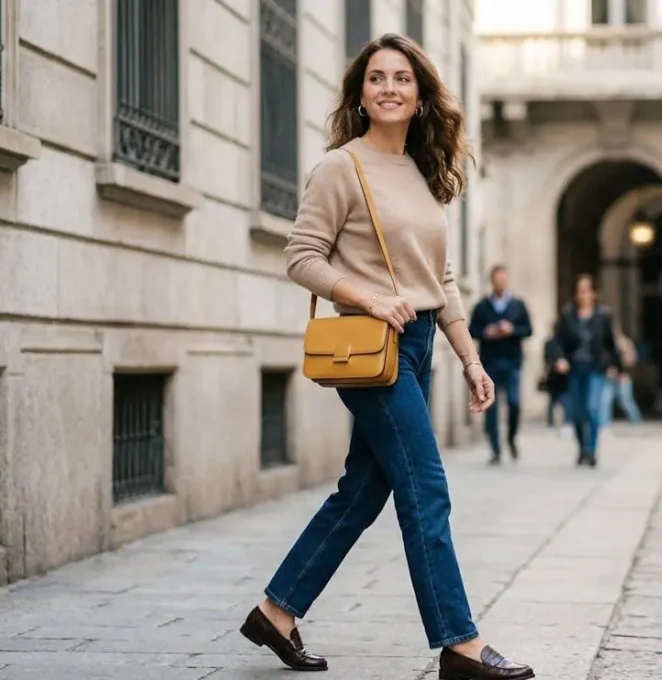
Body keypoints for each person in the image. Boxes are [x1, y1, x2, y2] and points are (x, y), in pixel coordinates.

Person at [245, 34, 533, 680]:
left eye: (402, 78)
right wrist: (369, 297)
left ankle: (276, 611)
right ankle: (460, 643)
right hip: (373, 349)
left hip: (424, 342)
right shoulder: (340, 168)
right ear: (361, 94)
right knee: (426, 488)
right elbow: (302, 257)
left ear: (421, 96)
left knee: (363, 490)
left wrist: (471, 359)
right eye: (376, 78)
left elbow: (443, 278)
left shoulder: (422, 172)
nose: (389, 88)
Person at [552, 274, 620, 467]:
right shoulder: (568, 316)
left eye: (586, 290)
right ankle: (582, 449)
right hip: (574, 368)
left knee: (592, 408)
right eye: (580, 291)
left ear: (593, 293)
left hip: (595, 368)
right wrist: (560, 359)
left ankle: (591, 450)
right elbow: (558, 342)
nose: (583, 295)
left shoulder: (603, 316)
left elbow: (610, 343)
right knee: (577, 412)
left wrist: (616, 367)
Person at [468, 265, 533, 464]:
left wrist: (511, 330)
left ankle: (511, 438)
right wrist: (486, 332)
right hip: (490, 362)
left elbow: (528, 329)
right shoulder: (482, 306)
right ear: (492, 281)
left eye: (503, 278)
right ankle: (495, 449)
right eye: (497, 279)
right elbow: (471, 330)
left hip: (512, 361)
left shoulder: (518, 305)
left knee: (514, 403)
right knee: (492, 408)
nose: (500, 282)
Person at [542, 335, 571, 436]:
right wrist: (556, 364)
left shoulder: (568, 341)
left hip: (566, 376)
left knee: (565, 400)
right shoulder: (551, 343)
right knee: (553, 400)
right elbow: (546, 358)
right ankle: (551, 422)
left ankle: (566, 422)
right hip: (554, 377)